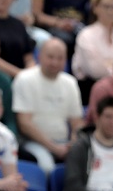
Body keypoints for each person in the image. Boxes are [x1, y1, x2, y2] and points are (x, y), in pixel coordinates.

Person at [12, 37, 84, 173]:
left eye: (60, 58)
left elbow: (77, 122)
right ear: (39, 56)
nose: (54, 62)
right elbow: (25, 124)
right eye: (50, 57)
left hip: (64, 142)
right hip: (33, 142)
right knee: (47, 167)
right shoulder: (25, 79)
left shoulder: (70, 83)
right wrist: (54, 148)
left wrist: (73, 144)